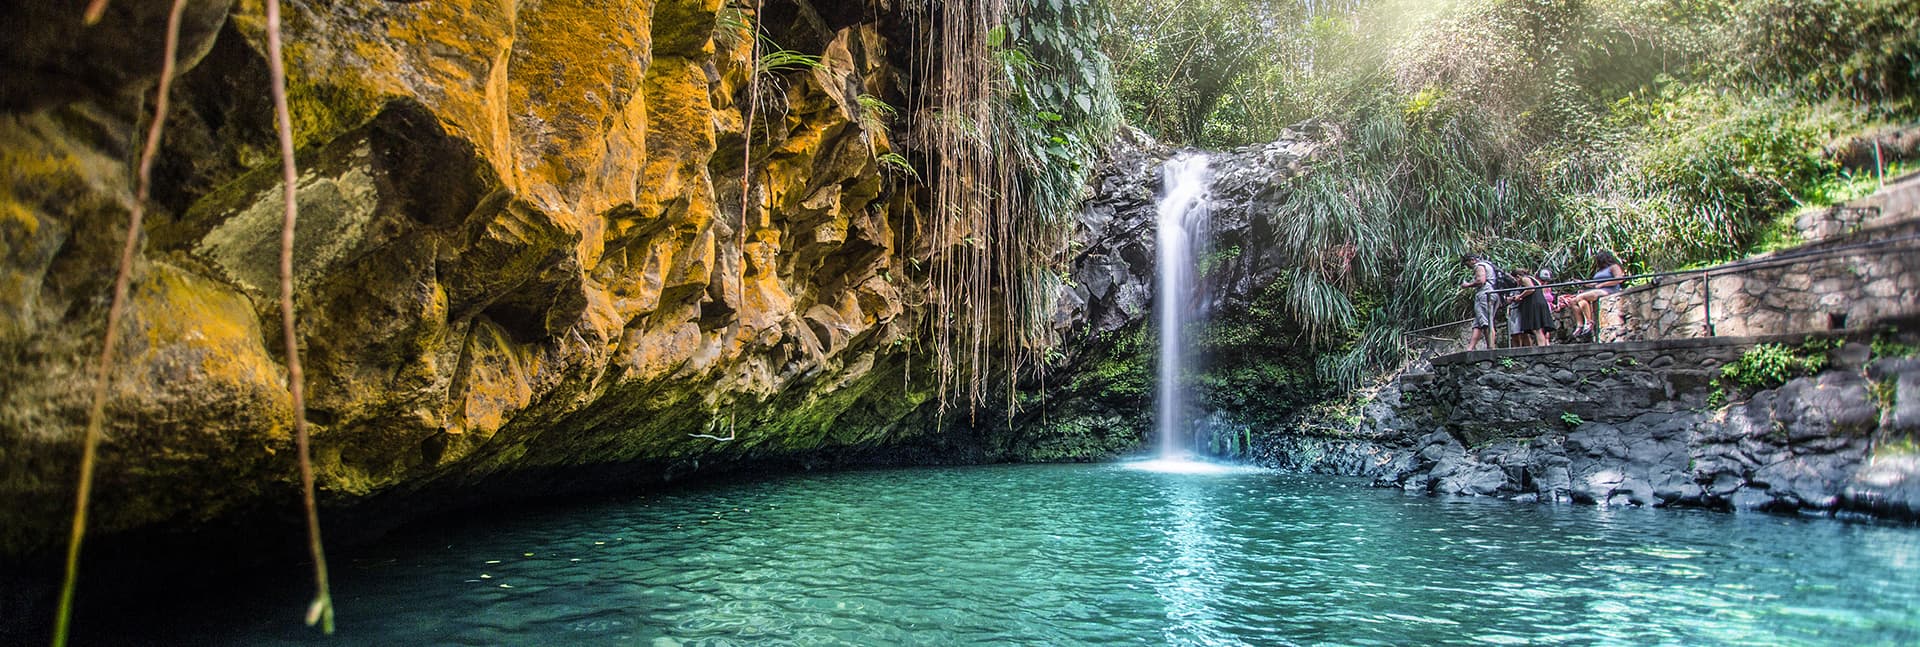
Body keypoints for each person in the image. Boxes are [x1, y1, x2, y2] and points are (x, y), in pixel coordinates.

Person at [1568, 250, 1626, 338]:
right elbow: (1595, 284)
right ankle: (1580, 325)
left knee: (1581, 297)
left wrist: (1603, 284)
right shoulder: (1600, 271)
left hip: (1609, 290)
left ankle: (1589, 322)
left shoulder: (1614, 267)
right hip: (1598, 290)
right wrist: (1583, 283)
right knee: (1572, 301)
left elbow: (1619, 279)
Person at [1459, 253, 1498, 351]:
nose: (1467, 266)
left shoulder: (1480, 266)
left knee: (1486, 322)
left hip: (1485, 294)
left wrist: (1467, 285)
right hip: (1491, 293)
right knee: (1478, 323)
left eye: (1467, 263)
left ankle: (1491, 348)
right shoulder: (1488, 265)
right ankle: (1470, 349)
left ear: (1472, 260)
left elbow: (1481, 281)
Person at [1515, 270, 1556, 346]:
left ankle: (1541, 347)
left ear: (1518, 276)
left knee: (1537, 328)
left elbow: (1531, 289)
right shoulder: (1535, 280)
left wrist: (1520, 296)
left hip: (1534, 304)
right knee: (1540, 328)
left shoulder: (1525, 279)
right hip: (1540, 302)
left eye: (1515, 280)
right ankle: (1544, 345)